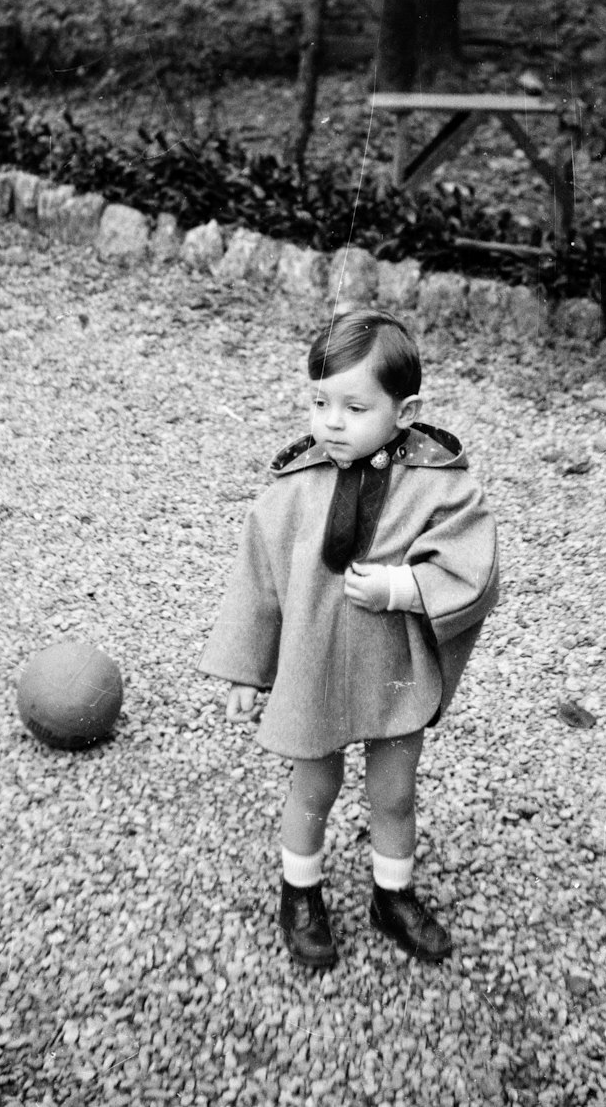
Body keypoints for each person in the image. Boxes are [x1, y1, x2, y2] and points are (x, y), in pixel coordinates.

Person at [199, 309, 499, 970]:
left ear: (404, 409)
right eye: (319, 401)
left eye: (355, 406)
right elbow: (259, 585)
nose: (332, 422)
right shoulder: (292, 489)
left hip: (392, 670)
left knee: (394, 793)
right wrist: (247, 671)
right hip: (313, 670)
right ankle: (299, 892)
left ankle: (392, 895)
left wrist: (404, 589)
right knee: (314, 788)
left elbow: (471, 566)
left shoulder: (439, 483)